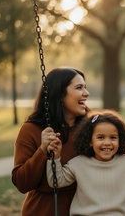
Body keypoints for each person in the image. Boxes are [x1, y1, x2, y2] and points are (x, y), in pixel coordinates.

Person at [46, 110, 125, 216]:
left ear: (120, 140)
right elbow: (56, 181)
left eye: (113, 137)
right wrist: (55, 157)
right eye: (100, 137)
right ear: (90, 141)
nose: (107, 143)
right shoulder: (79, 163)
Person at [12, 67, 90, 215]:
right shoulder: (32, 129)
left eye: (85, 88)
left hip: (84, 209)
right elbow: (22, 183)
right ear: (60, 94)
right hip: (44, 210)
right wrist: (42, 151)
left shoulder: (91, 128)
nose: (86, 93)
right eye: (79, 88)